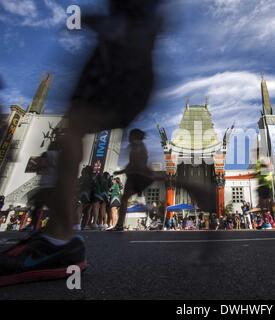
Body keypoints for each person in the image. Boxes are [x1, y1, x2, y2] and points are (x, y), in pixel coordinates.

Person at [0, 0, 163, 287]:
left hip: (120, 53)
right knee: (73, 131)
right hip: (132, 56)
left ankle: (58, 238)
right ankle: (58, 234)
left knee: (72, 129)